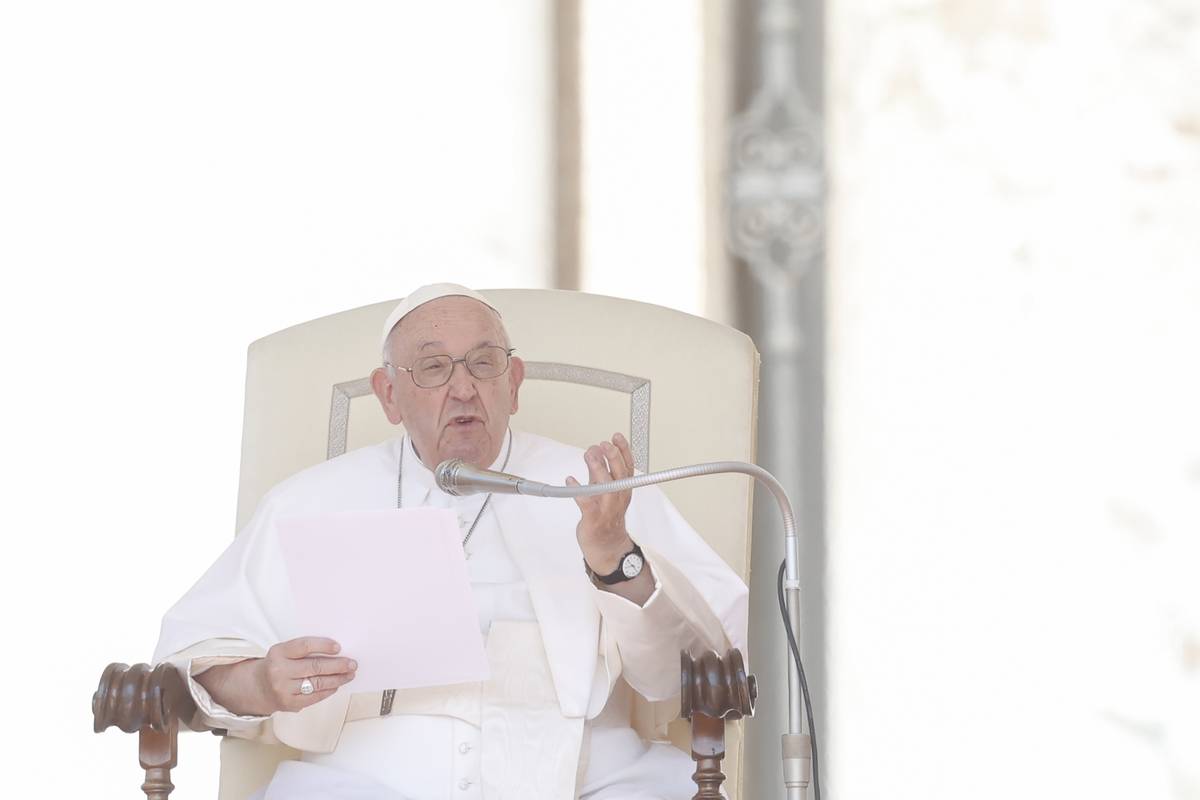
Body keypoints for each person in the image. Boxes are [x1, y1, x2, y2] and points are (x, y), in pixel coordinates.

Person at [153, 284, 749, 799]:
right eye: (433, 368)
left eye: (483, 364)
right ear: (388, 394)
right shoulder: (307, 501)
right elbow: (194, 660)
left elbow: (693, 666)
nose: (463, 388)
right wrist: (260, 682)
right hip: (363, 781)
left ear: (513, 383)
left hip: (588, 778)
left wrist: (613, 556)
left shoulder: (599, 488)